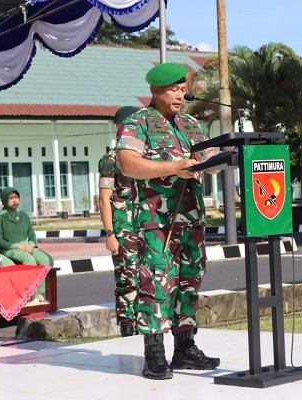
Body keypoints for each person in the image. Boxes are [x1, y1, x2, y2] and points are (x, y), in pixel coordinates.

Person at [116, 62, 219, 380]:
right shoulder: (139, 122)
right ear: (155, 91)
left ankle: (185, 349)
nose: (180, 95)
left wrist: (220, 159)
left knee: (189, 283)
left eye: (182, 89)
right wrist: (174, 167)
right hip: (157, 222)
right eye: (174, 89)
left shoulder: (189, 123)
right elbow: (128, 163)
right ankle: (154, 355)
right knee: (158, 286)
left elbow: (208, 158)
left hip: (191, 219)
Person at [98, 105, 140, 337]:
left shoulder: (145, 157)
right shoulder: (110, 160)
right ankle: (127, 326)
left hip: (147, 227)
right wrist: (110, 234)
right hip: (123, 229)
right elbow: (104, 200)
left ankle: (147, 328)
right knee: (126, 278)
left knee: (149, 278)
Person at [0, 187, 53, 302]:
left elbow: (31, 234)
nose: (14, 200)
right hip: (10, 249)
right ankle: (31, 294)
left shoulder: (24, 215)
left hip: (27, 247)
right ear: (5, 200)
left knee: (46, 259)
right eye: (11, 198)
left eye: (16, 197)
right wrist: (20, 247)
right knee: (29, 260)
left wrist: (31, 245)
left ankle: (41, 292)